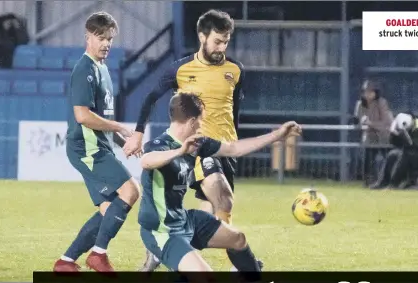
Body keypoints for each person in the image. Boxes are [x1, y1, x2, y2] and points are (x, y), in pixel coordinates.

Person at [122, 9, 249, 271]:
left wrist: (234, 143)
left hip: (225, 148)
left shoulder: (235, 70)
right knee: (222, 198)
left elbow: (234, 108)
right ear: (202, 36)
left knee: (213, 208)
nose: (222, 47)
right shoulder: (180, 68)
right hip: (199, 148)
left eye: (226, 41)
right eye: (217, 41)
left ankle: (167, 249)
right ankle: (235, 261)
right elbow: (150, 98)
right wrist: (137, 134)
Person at [138, 93, 301, 277]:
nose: (201, 125)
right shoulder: (159, 145)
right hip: (161, 230)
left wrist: (278, 135)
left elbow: (234, 149)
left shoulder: (198, 143)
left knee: (238, 239)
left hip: (184, 220)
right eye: (201, 121)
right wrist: (180, 151)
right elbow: (146, 161)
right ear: (192, 121)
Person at [53, 12, 141, 273]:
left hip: (97, 146)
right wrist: (120, 129)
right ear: (88, 37)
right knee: (131, 191)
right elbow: (82, 116)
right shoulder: (84, 69)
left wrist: (121, 139)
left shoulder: (102, 69)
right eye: (101, 38)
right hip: (87, 148)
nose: (106, 44)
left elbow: (102, 116)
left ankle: (66, 262)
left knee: (108, 209)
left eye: (110, 39)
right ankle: (98, 255)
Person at [370, 112, 418, 190]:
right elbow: (395, 143)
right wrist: (394, 134)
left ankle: (394, 184)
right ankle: (383, 182)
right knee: (392, 154)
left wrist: (404, 135)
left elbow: (415, 146)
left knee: (407, 154)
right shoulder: (409, 126)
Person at [352, 79, 394, 186]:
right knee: (368, 159)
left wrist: (370, 123)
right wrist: (362, 125)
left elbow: (386, 123)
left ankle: (389, 180)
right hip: (370, 137)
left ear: (375, 93)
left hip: (384, 136)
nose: (367, 94)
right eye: (365, 92)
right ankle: (368, 181)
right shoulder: (360, 104)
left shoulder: (381, 103)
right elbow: (357, 122)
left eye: (370, 92)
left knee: (389, 159)